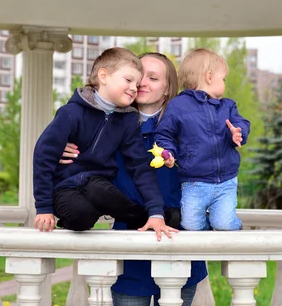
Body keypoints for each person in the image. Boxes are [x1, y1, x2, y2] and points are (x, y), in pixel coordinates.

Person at [60, 52, 208, 306]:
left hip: (177, 239)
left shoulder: (189, 125)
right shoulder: (104, 122)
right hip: (129, 240)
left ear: (167, 88)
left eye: (153, 77)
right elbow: (79, 165)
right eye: (139, 76)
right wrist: (63, 149)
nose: (142, 83)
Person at [32, 47, 177, 240]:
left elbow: (140, 166)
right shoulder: (71, 113)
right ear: (103, 76)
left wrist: (156, 213)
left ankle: (150, 218)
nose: (136, 86)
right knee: (81, 215)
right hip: (67, 188)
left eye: (147, 79)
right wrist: (43, 207)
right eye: (129, 80)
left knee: (99, 190)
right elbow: (44, 156)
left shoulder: (127, 121)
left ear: (167, 88)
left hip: (100, 188)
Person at [155, 48, 251, 231]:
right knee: (190, 225)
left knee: (223, 223)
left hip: (225, 180)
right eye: (222, 78)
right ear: (209, 76)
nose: (224, 83)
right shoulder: (177, 106)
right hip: (194, 181)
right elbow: (165, 135)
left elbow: (241, 123)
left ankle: (235, 227)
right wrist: (168, 154)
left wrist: (238, 132)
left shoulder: (228, 106)